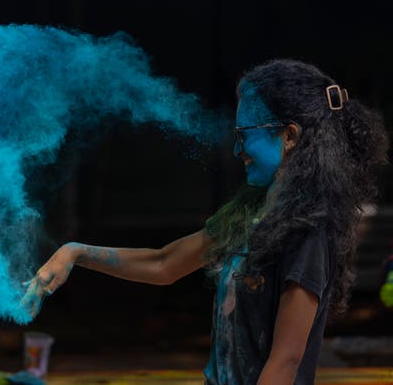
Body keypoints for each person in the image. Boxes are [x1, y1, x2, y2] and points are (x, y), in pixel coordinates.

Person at [23, 59, 389, 384]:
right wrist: (75, 253)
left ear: (289, 136)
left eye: (245, 135)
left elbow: (285, 362)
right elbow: (165, 263)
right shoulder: (249, 213)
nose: (236, 151)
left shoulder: (309, 232)